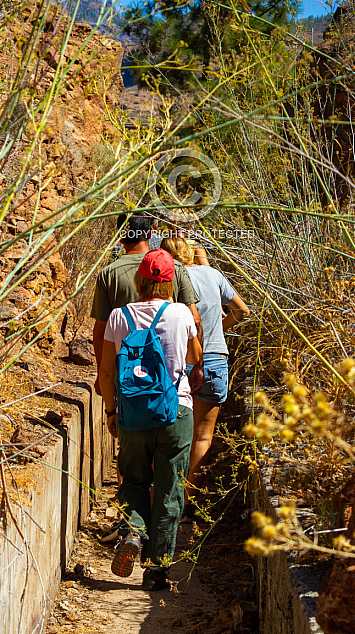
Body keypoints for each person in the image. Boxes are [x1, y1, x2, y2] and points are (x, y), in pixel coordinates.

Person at [99, 248, 202, 591]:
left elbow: (106, 372)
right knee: (169, 491)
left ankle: (132, 532)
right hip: (175, 413)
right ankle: (156, 571)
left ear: (138, 279)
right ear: (170, 281)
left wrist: (112, 411)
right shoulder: (179, 314)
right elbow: (193, 357)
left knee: (133, 480)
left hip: (133, 415)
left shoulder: (118, 317)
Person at [160, 235, 249, 518]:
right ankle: (188, 502)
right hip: (214, 360)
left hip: (178, 362)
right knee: (202, 435)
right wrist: (222, 327)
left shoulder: (168, 279)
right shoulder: (213, 274)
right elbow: (241, 310)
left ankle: (163, 499)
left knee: (170, 435)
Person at [90, 212, 204, 395]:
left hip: (128, 381)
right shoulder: (174, 268)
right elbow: (195, 321)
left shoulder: (108, 274)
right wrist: (199, 366)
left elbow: (100, 331)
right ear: (151, 234)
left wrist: (103, 376)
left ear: (120, 236)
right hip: (170, 382)